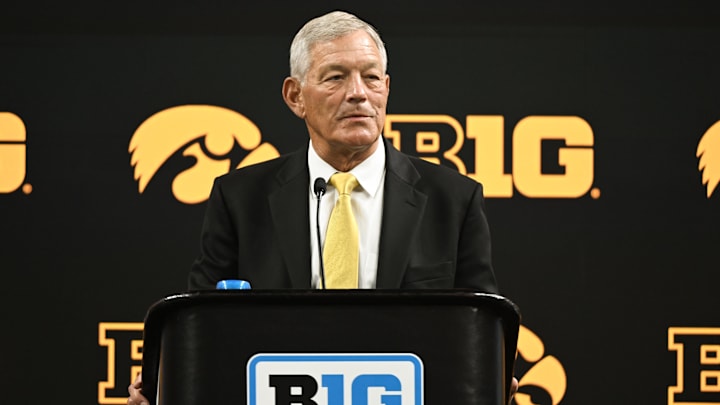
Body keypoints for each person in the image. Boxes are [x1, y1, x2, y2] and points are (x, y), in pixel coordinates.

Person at [128, 10, 517, 405]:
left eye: (370, 77)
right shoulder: (241, 199)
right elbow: (204, 328)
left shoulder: (453, 199)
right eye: (335, 77)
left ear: (386, 88)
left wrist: (491, 376)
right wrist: (167, 386)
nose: (358, 93)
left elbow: (479, 330)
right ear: (295, 96)